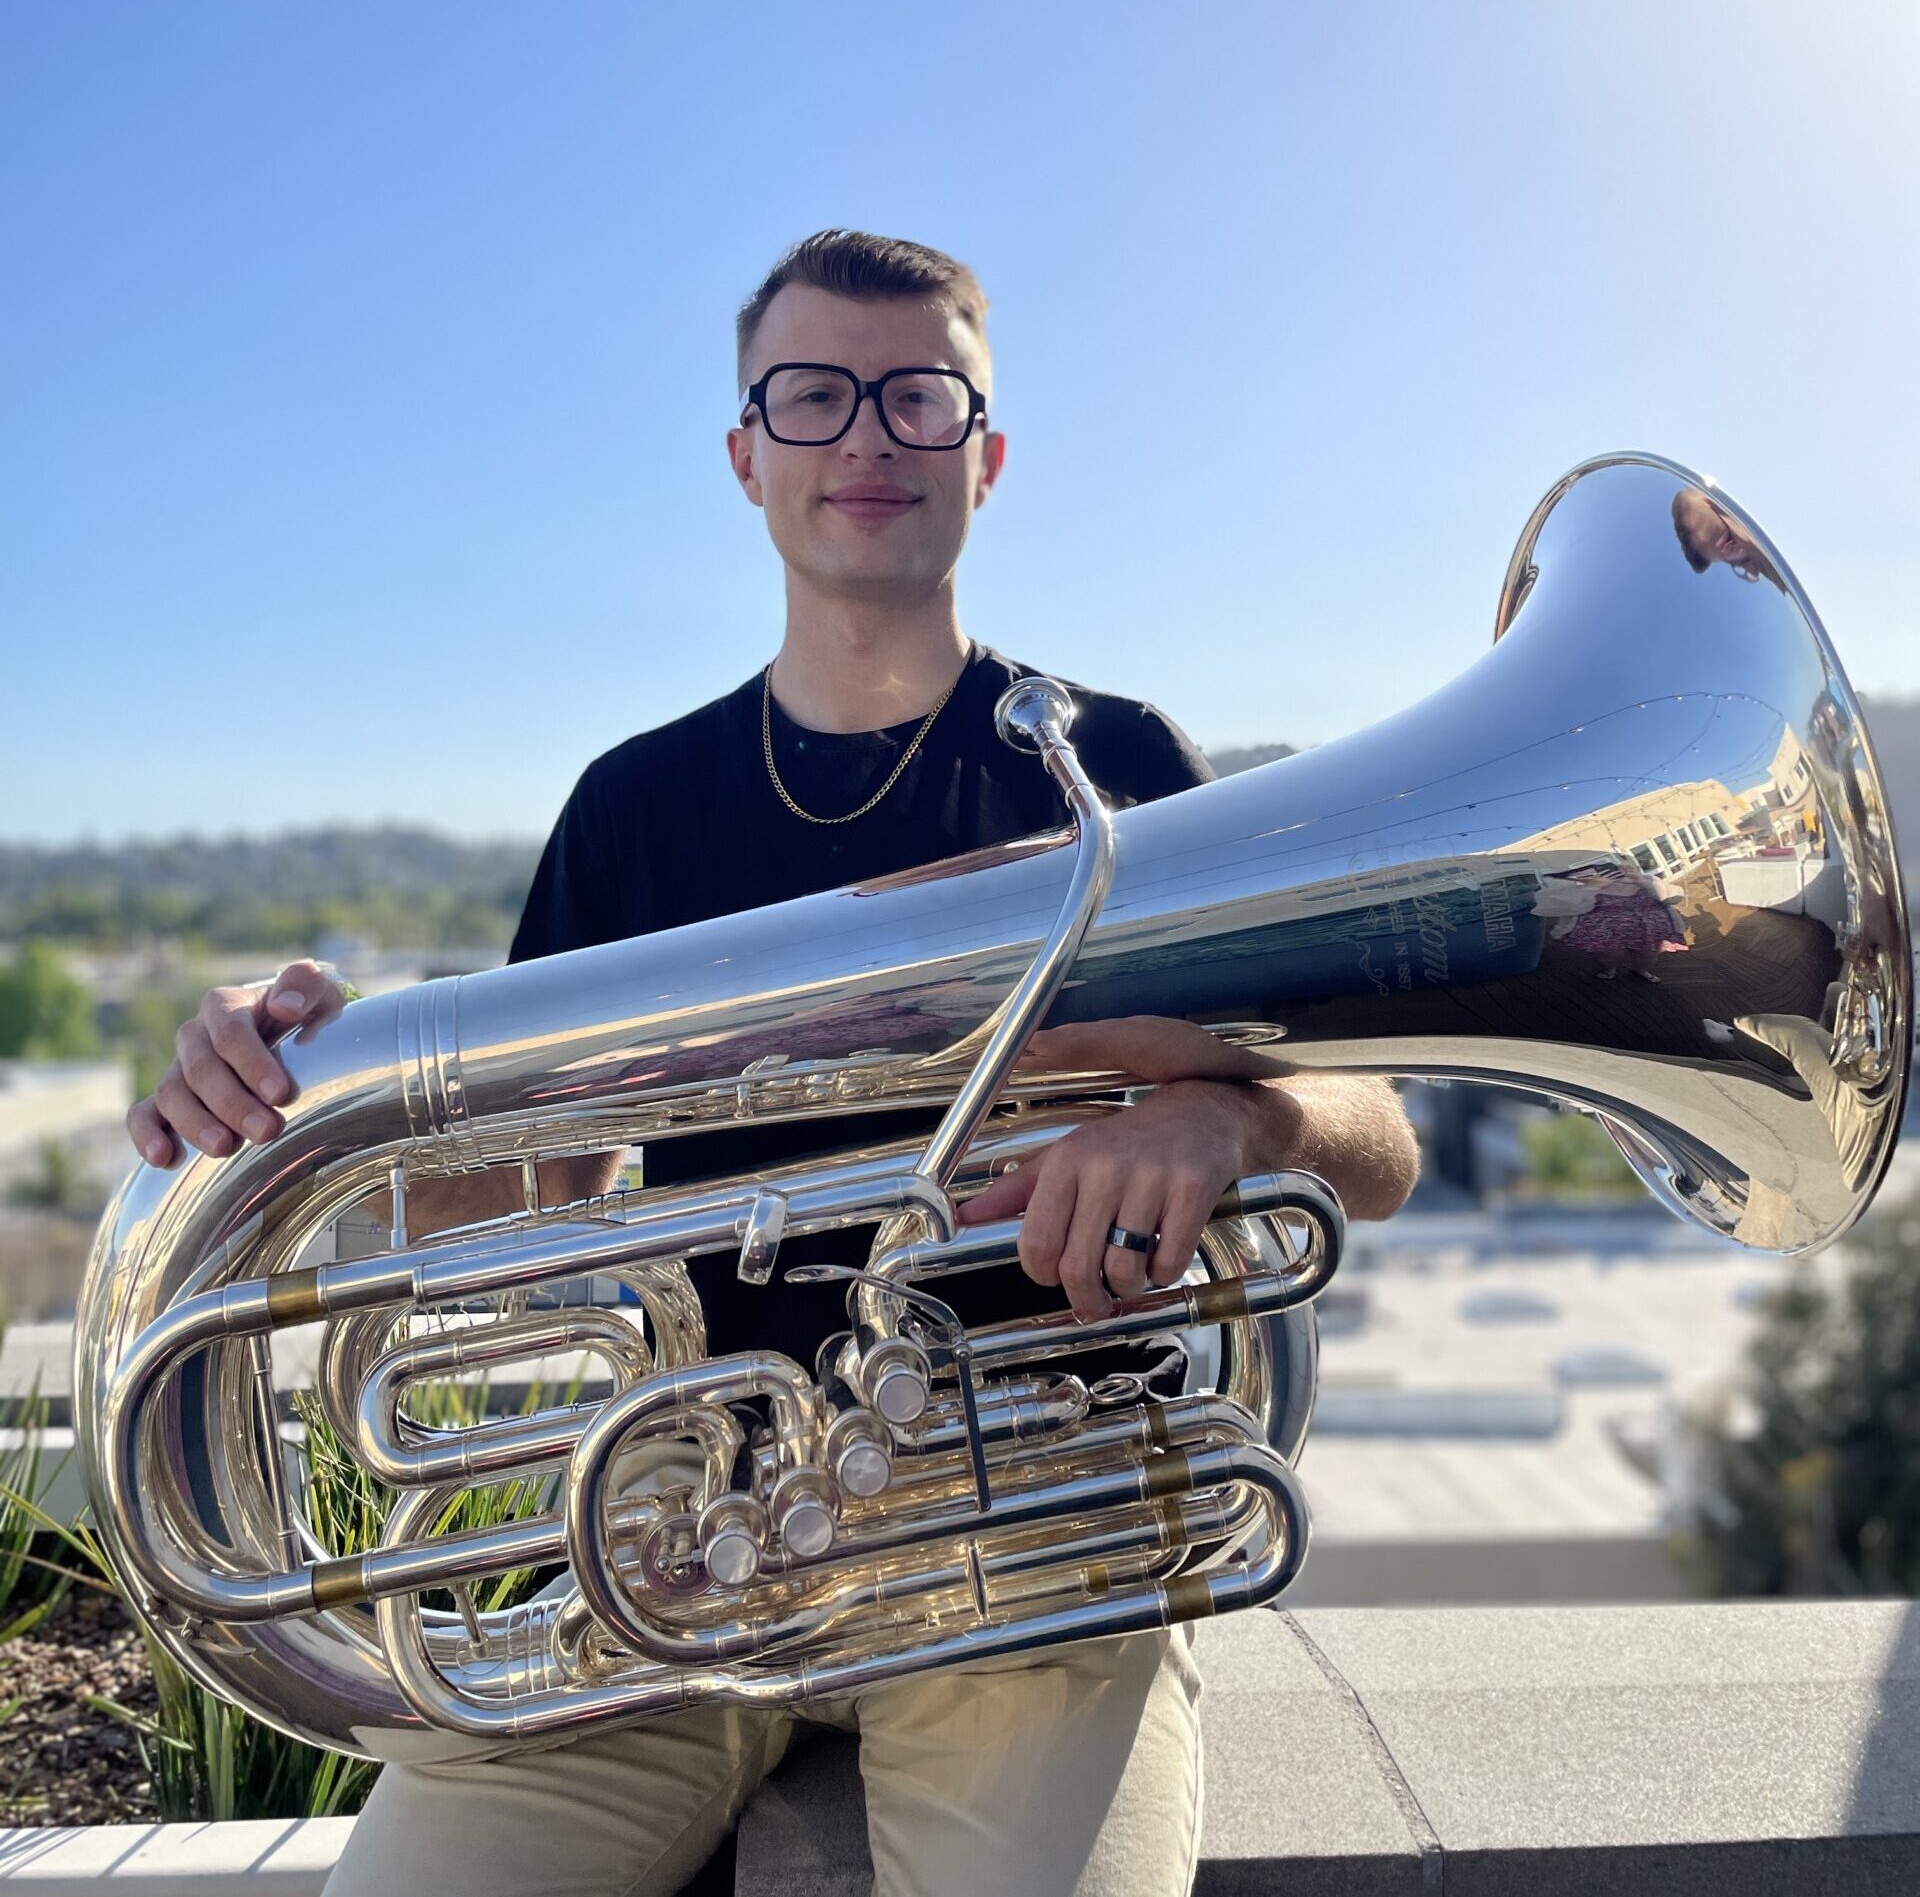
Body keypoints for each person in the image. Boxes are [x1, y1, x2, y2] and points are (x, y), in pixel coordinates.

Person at [126, 229, 1419, 1897]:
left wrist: (1222, 1113)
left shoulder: (1117, 768)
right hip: (689, 1520)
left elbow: (1376, 1131)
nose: (869, 435)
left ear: (987, 455)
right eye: (813, 396)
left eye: (920, 395)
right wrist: (293, 1083)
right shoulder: (635, 808)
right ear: (747, 455)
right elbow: (518, 1184)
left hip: (1033, 1515)